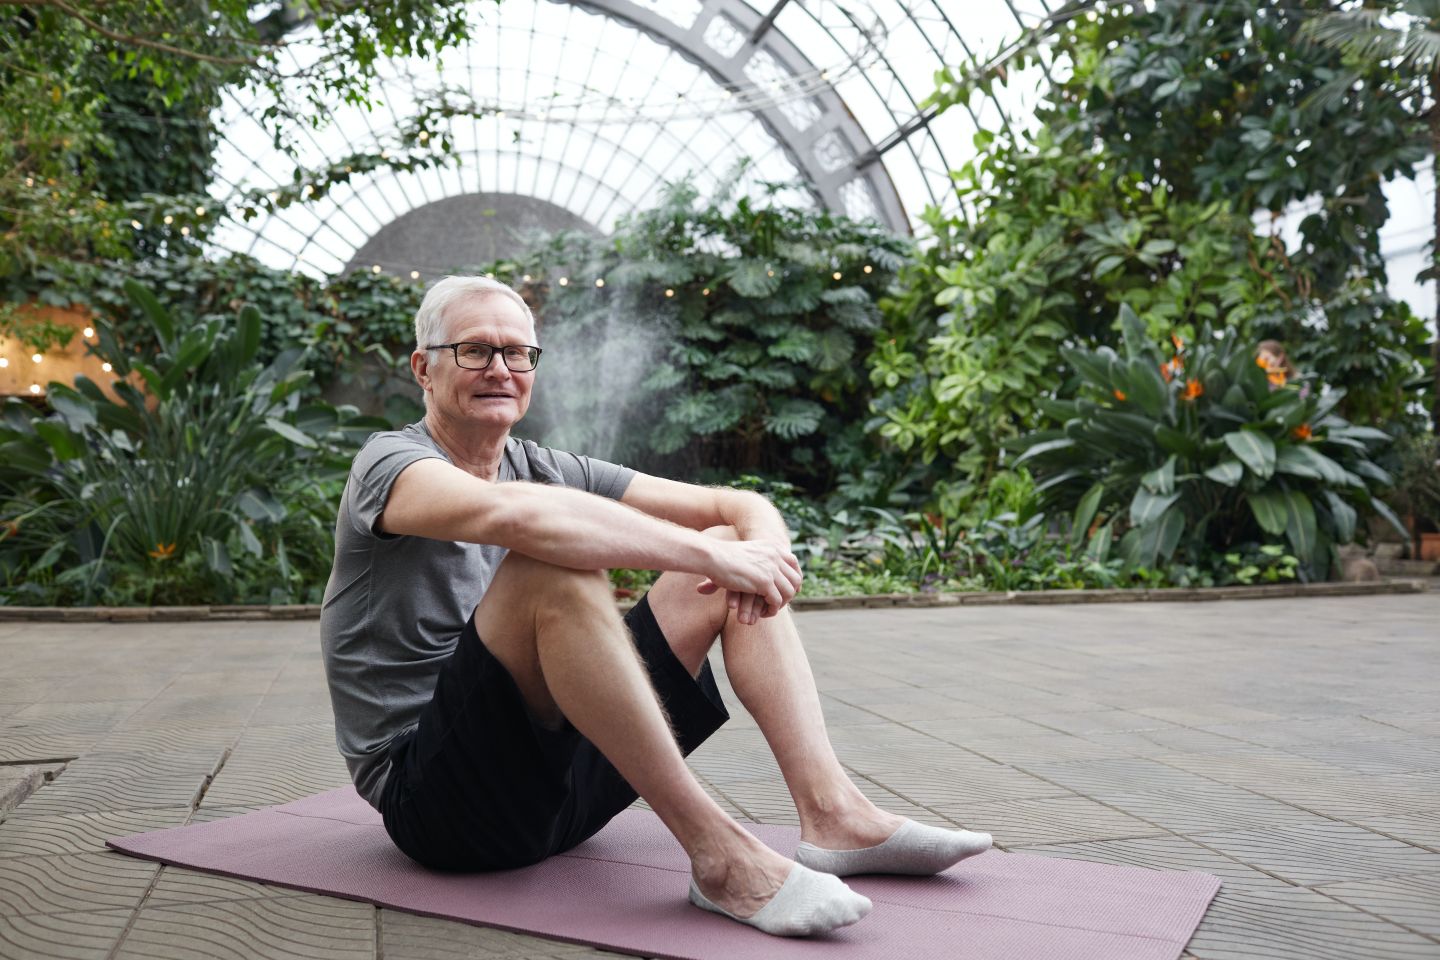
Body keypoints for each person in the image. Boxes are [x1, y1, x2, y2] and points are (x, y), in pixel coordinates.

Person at [320, 275, 992, 938]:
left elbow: (739, 506)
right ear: (424, 369)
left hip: (564, 791)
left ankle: (834, 814)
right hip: (443, 807)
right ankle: (718, 855)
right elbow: (517, 519)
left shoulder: (544, 464)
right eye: (475, 351)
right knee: (555, 561)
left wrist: (755, 559)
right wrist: (709, 557)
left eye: (517, 353)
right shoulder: (390, 464)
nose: (501, 368)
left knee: (730, 545)